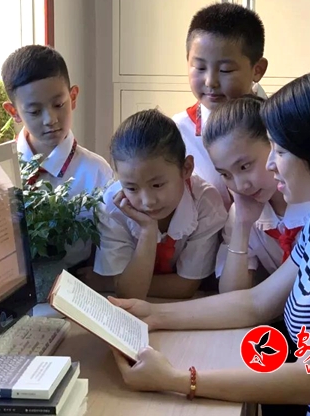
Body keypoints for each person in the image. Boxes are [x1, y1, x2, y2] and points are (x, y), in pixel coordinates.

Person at [109, 71, 310, 415]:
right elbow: (257, 302)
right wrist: (152, 314)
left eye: (281, 150)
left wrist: (178, 379)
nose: (272, 165)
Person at [93, 109, 227, 300]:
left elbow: (185, 287)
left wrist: (108, 283)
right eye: (131, 188)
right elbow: (129, 293)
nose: (148, 201)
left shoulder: (205, 203)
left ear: (186, 168)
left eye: (157, 185)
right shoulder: (111, 206)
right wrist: (148, 231)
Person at [1, 45, 113, 265]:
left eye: (58, 104)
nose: (50, 119)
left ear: (73, 97)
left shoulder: (97, 173)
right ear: (14, 112)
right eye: (34, 111)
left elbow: (110, 248)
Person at [202, 95, 310, 294]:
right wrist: (242, 225)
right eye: (226, 174)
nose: (241, 185)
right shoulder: (243, 211)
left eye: (245, 166)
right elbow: (232, 296)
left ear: (275, 145)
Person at [173, 2, 269, 209]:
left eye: (226, 70)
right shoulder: (176, 134)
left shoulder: (282, 127)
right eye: (199, 67)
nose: (210, 82)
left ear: (257, 70)